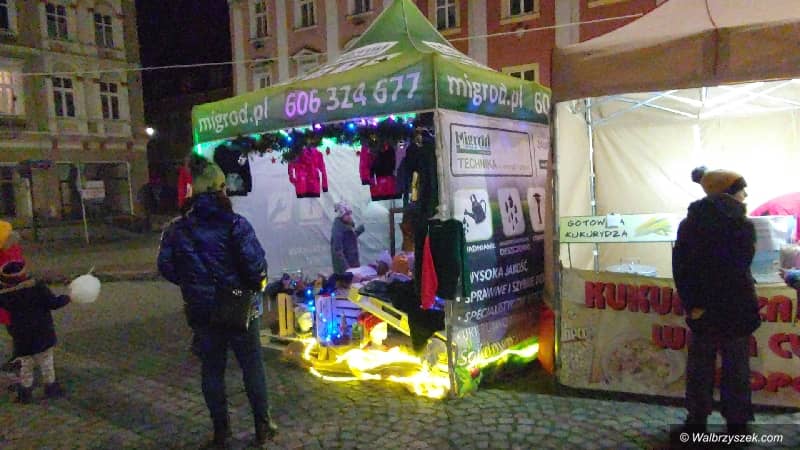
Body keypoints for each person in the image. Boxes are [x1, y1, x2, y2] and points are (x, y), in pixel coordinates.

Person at [157, 157, 277, 448]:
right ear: (221, 189)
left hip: (202, 311)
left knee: (211, 371)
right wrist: (252, 287)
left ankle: (221, 432)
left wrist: (193, 285)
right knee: (252, 367)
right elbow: (255, 268)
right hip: (238, 306)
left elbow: (166, 267)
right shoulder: (236, 224)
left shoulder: (176, 229)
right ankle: (262, 427)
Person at [672, 166, 761, 436]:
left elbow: (681, 268)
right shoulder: (742, 225)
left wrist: (693, 303)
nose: (746, 195)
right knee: (737, 366)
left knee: (700, 366)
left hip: (703, 309)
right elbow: (741, 266)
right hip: (737, 306)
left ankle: (696, 420)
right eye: (742, 190)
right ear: (729, 193)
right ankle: (737, 423)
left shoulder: (690, 224)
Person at [0, 259, 71, 403]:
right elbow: (53, 303)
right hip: (42, 332)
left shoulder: (4, 295)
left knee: (26, 364)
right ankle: (50, 387)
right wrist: (67, 298)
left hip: (21, 336)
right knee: (46, 362)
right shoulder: (37, 288)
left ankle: (25, 392)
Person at [330, 201, 365, 274]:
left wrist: (362, 228)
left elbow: (350, 238)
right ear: (341, 215)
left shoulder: (345, 225)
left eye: (350, 213)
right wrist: (347, 269)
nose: (349, 216)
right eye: (347, 214)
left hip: (353, 265)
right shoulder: (338, 230)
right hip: (345, 270)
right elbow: (338, 251)